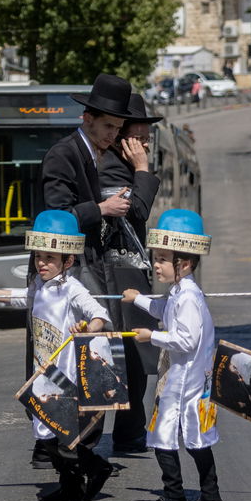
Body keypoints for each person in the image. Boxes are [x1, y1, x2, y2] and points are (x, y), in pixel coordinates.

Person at [0, 211, 109, 501]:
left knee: (58, 433)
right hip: (42, 370)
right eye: (38, 257)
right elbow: (24, 297)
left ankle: (95, 467)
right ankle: (71, 485)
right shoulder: (39, 284)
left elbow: (99, 314)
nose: (42, 263)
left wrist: (88, 327)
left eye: (50, 258)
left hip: (64, 373)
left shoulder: (72, 288)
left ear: (67, 261)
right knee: (45, 433)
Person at [122, 208, 224, 501]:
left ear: (185, 263)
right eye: (157, 258)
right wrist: (138, 299)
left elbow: (186, 340)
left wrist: (150, 336)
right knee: (194, 439)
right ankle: (209, 496)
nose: (156, 264)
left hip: (184, 380)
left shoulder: (188, 297)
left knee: (165, 435)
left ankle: (174, 495)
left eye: (163, 259)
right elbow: (163, 309)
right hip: (186, 377)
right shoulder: (180, 291)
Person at [97, 93, 162, 454]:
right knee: (121, 355)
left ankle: (131, 430)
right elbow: (137, 211)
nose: (145, 144)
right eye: (140, 137)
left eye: (147, 138)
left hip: (131, 272)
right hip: (114, 274)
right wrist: (142, 169)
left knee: (137, 356)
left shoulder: (123, 166)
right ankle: (121, 432)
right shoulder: (110, 167)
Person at [40, 74, 136, 296]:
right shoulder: (64, 154)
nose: (113, 134)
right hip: (67, 272)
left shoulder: (88, 152)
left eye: (118, 128)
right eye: (108, 126)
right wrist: (103, 208)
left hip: (83, 267)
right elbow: (57, 216)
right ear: (87, 118)